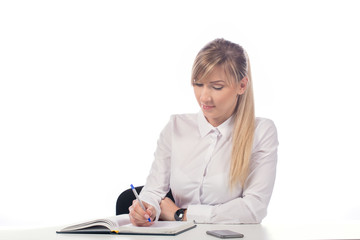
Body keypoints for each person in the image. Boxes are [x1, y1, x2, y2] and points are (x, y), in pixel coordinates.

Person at [128, 38, 278, 226]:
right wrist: (146, 207)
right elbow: (154, 190)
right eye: (198, 84)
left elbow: (253, 208)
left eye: (217, 87)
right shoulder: (176, 127)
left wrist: (181, 214)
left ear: (242, 85)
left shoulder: (261, 132)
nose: (204, 97)